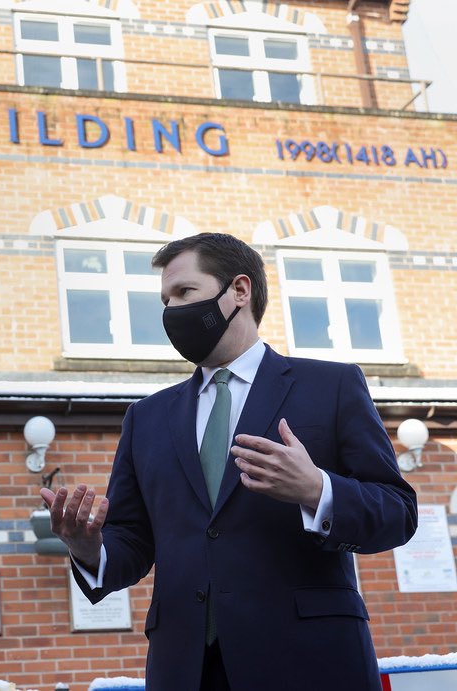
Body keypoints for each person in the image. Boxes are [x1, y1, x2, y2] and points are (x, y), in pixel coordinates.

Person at [43, 233, 417, 691]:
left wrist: (317, 490)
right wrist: (87, 548)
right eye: (164, 300)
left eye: (185, 293)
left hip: (310, 661)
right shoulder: (147, 418)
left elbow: (398, 512)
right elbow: (133, 541)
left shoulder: (331, 387)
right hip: (186, 669)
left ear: (240, 291)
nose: (170, 311)